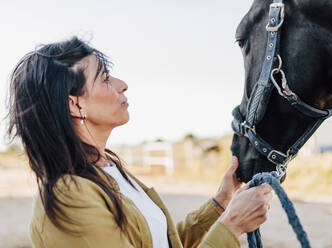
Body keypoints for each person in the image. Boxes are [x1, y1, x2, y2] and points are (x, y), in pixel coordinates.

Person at [6, 37, 273, 248]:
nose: (123, 85)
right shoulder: (68, 196)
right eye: (105, 78)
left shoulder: (108, 169)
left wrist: (221, 201)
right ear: (74, 104)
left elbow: (161, 242)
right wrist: (232, 226)